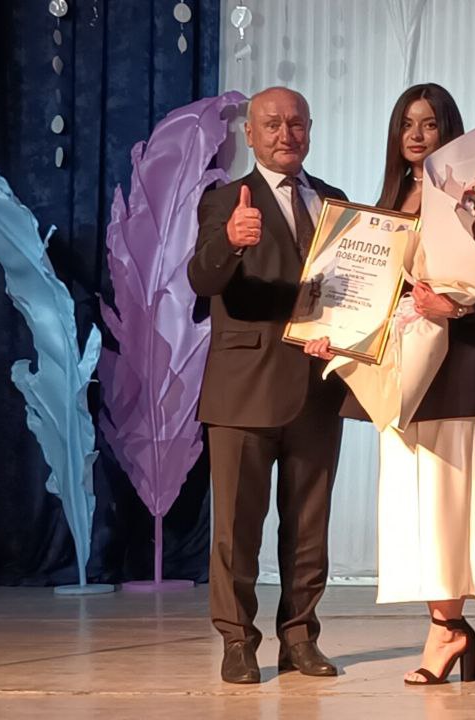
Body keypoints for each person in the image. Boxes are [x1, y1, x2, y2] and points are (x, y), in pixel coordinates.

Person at [304, 83, 475, 686]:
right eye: (407, 124)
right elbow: (366, 292)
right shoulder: (387, 201)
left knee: (445, 502)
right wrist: (330, 333)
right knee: (408, 505)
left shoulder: (470, 197)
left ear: (448, 131)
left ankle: (447, 628)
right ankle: (445, 625)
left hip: (453, 367)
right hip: (395, 368)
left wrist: (458, 306)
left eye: (429, 124)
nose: (416, 135)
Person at [189, 86, 348, 685]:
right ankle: (237, 641)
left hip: (317, 386)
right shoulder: (226, 199)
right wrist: (231, 240)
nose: (286, 134)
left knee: (309, 527)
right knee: (237, 528)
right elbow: (202, 277)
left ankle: (300, 639)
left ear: (310, 130)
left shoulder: (333, 201)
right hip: (244, 388)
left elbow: (352, 288)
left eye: (296, 123)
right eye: (273, 124)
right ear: (250, 135)